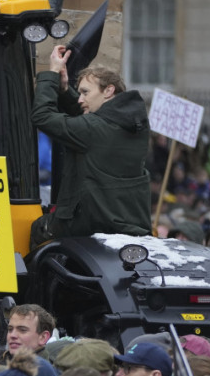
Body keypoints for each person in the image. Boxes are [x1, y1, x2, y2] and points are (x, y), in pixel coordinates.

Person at [30, 45, 150, 247]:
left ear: (109, 91)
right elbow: (86, 120)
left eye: (85, 92)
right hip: (125, 223)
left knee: (37, 230)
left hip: (88, 223)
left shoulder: (94, 129)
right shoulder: (134, 125)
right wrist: (64, 90)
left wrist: (50, 74)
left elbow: (42, 116)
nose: (80, 98)